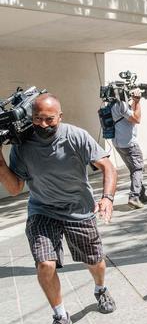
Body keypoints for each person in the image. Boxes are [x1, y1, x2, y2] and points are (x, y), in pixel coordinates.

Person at [0, 94, 118, 324]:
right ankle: (60, 315)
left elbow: (108, 166)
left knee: (94, 261)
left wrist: (107, 198)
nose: (42, 124)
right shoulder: (22, 146)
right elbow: (15, 188)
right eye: (37, 119)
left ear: (60, 117)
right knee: (45, 264)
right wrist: (1, 163)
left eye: (49, 119)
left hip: (79, 209)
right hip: (42, 209)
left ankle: (101, 289)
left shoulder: (76, 136)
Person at [111, 88, 147, 209]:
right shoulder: (122, 105)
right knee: (138, 169)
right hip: (129, 144)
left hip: (119, 144)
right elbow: (136, 118)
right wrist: (138, 101)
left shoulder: (113, 105)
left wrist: (134, 102)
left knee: (134, 169)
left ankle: (141, 194)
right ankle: (134, 197)